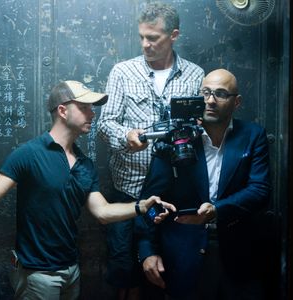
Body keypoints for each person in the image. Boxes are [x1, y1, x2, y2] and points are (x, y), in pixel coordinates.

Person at [0, 80, 175, 300]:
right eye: (85, 107)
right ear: (63, 110)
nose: (93, 114)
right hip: (37, 274)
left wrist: (142, 206)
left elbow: (102, 212)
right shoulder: (30, 153)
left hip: (71, 271)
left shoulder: (84, 164)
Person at [96, 2, 204, 298]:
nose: (145, 44)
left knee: (167, 276)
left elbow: (201, 127)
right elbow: (106, 124)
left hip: (174, 195)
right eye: (142, 36)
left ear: (174, 35)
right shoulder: (122, 71)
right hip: (130, 191)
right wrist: (126, 136)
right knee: (125, 276)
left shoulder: (195, 75)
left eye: (153, 38)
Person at [135, 69, 271, 300]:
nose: (210, 100)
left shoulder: (252, 135)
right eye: (206, 92)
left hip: (238, 253)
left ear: (236, 102)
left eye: (220, 94)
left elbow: (260, 190)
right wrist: (147, 251)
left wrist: (217, 210)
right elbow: (150, 200)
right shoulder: (177, 137)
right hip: (182, 252)